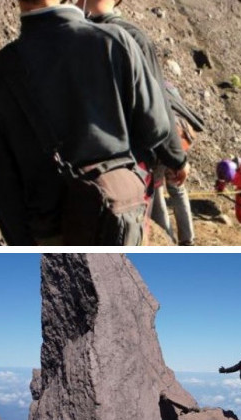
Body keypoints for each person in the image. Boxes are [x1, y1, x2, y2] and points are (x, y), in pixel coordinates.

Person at [0, 0, 189, 245]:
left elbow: (3, 188)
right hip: (121, 217)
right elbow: (157, 128)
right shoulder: (116, 41)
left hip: (52, 234)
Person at [78, 0, 195, 245]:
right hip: (126, 168)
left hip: (73, 169)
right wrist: (177, 159)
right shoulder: (131, 37)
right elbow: (156, 109)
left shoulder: (60, 33)